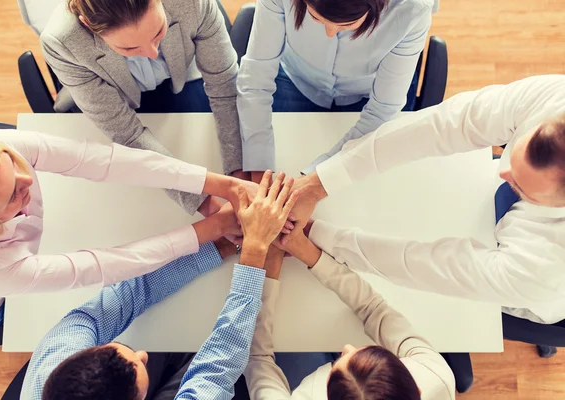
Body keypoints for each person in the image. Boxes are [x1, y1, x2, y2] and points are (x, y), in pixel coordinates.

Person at [285, 74, 565, 357]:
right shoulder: (556, 98)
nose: (503, 172)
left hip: (522, 290)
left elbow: (422, 264)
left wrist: (315, 236)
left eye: (520, 186)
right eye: (516, 151)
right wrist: (318, 184)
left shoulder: (541, 271)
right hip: (481, 211)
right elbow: (443, 125)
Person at [22, 171, 300, 400]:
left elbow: (132, 292)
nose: (141, 354)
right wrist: (255, 248)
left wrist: (219, 246)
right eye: (139, 364)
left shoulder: (56, 356)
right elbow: (218, 366)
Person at [0, 129, 268, 328]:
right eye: (12, 193)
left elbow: (109, 162)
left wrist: (228, 186)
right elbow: (104, 265)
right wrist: (216, 226)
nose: (27, 179)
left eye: (15, 166)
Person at [42, 0, 248, 217]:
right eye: (128, 48)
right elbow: (128, 135)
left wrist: (240, 180)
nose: (151, 52)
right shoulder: (62, 42)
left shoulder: (190, 3)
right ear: (87, 26)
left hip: (183, 78)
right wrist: (209, 206)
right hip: (120, 97)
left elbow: (225, 89)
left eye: (158, 31)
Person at [244, 224, 455, 400]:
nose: (346, 347)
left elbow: (257, 357)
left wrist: (269, 262)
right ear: (417, 389)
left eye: (332, 374)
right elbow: (373, 307)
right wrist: (308, 252)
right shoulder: (434, 376)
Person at [237, 0, 435, 179]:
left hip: (370, 91)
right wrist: (259, 169)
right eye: (314, 17)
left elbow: (383, 109)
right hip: (296, 78)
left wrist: (314, 180)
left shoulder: (413, 7)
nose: (330, 33)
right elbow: (256, 76)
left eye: (347, 25)